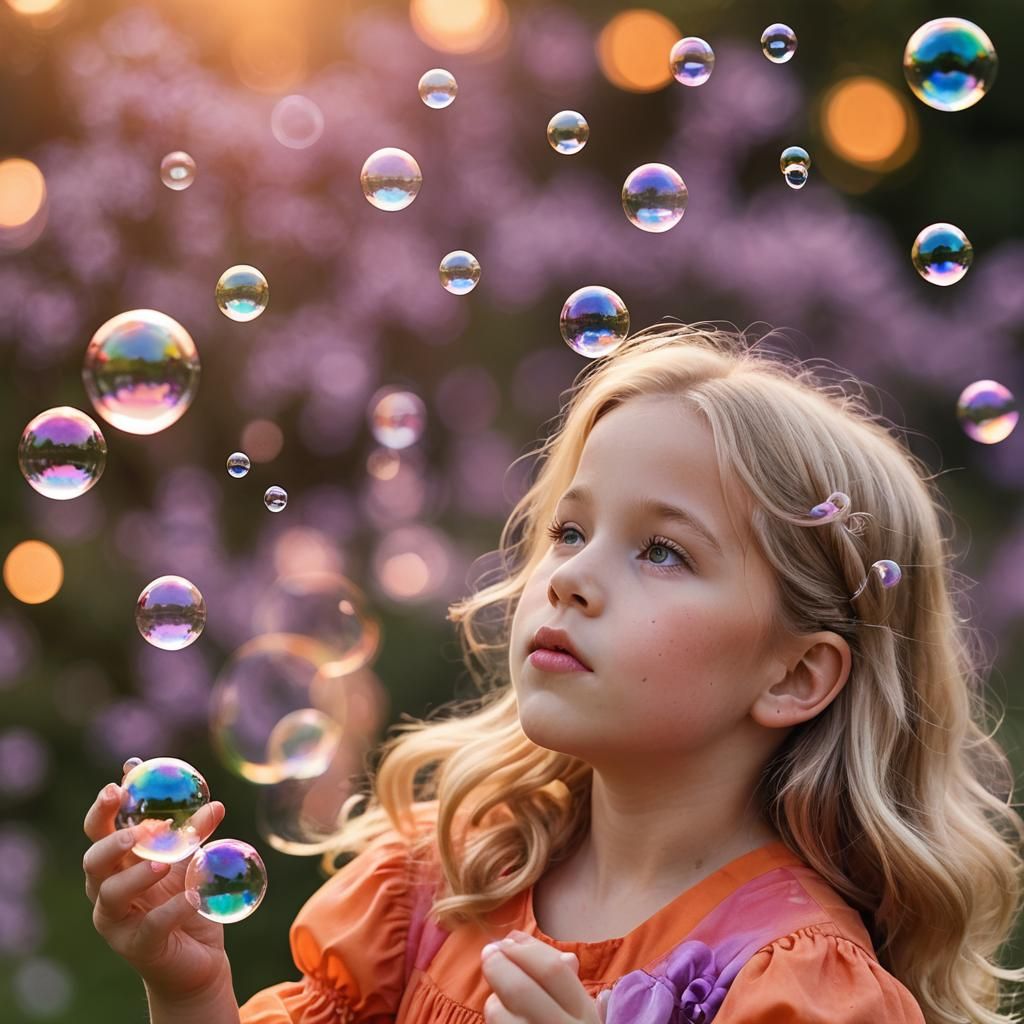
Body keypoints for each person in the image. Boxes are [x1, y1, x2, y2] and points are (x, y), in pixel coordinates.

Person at [83, 323, 1024, 1024]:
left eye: (662, 551)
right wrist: (191, 988)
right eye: (570, 531)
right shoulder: (441, 886)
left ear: (795, 676)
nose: (569, 577)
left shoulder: (797, 985)